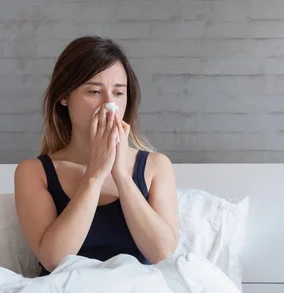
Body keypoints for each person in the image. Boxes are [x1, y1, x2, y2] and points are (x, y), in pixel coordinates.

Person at [14, 36, 179, 276]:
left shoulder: (156, 166)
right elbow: (53, 260)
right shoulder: (34, 172)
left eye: (118, 93)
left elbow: (162, 254)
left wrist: (121, 176)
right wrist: (94, 174)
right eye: (94, 91)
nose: (109, 104)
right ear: (64, 97)